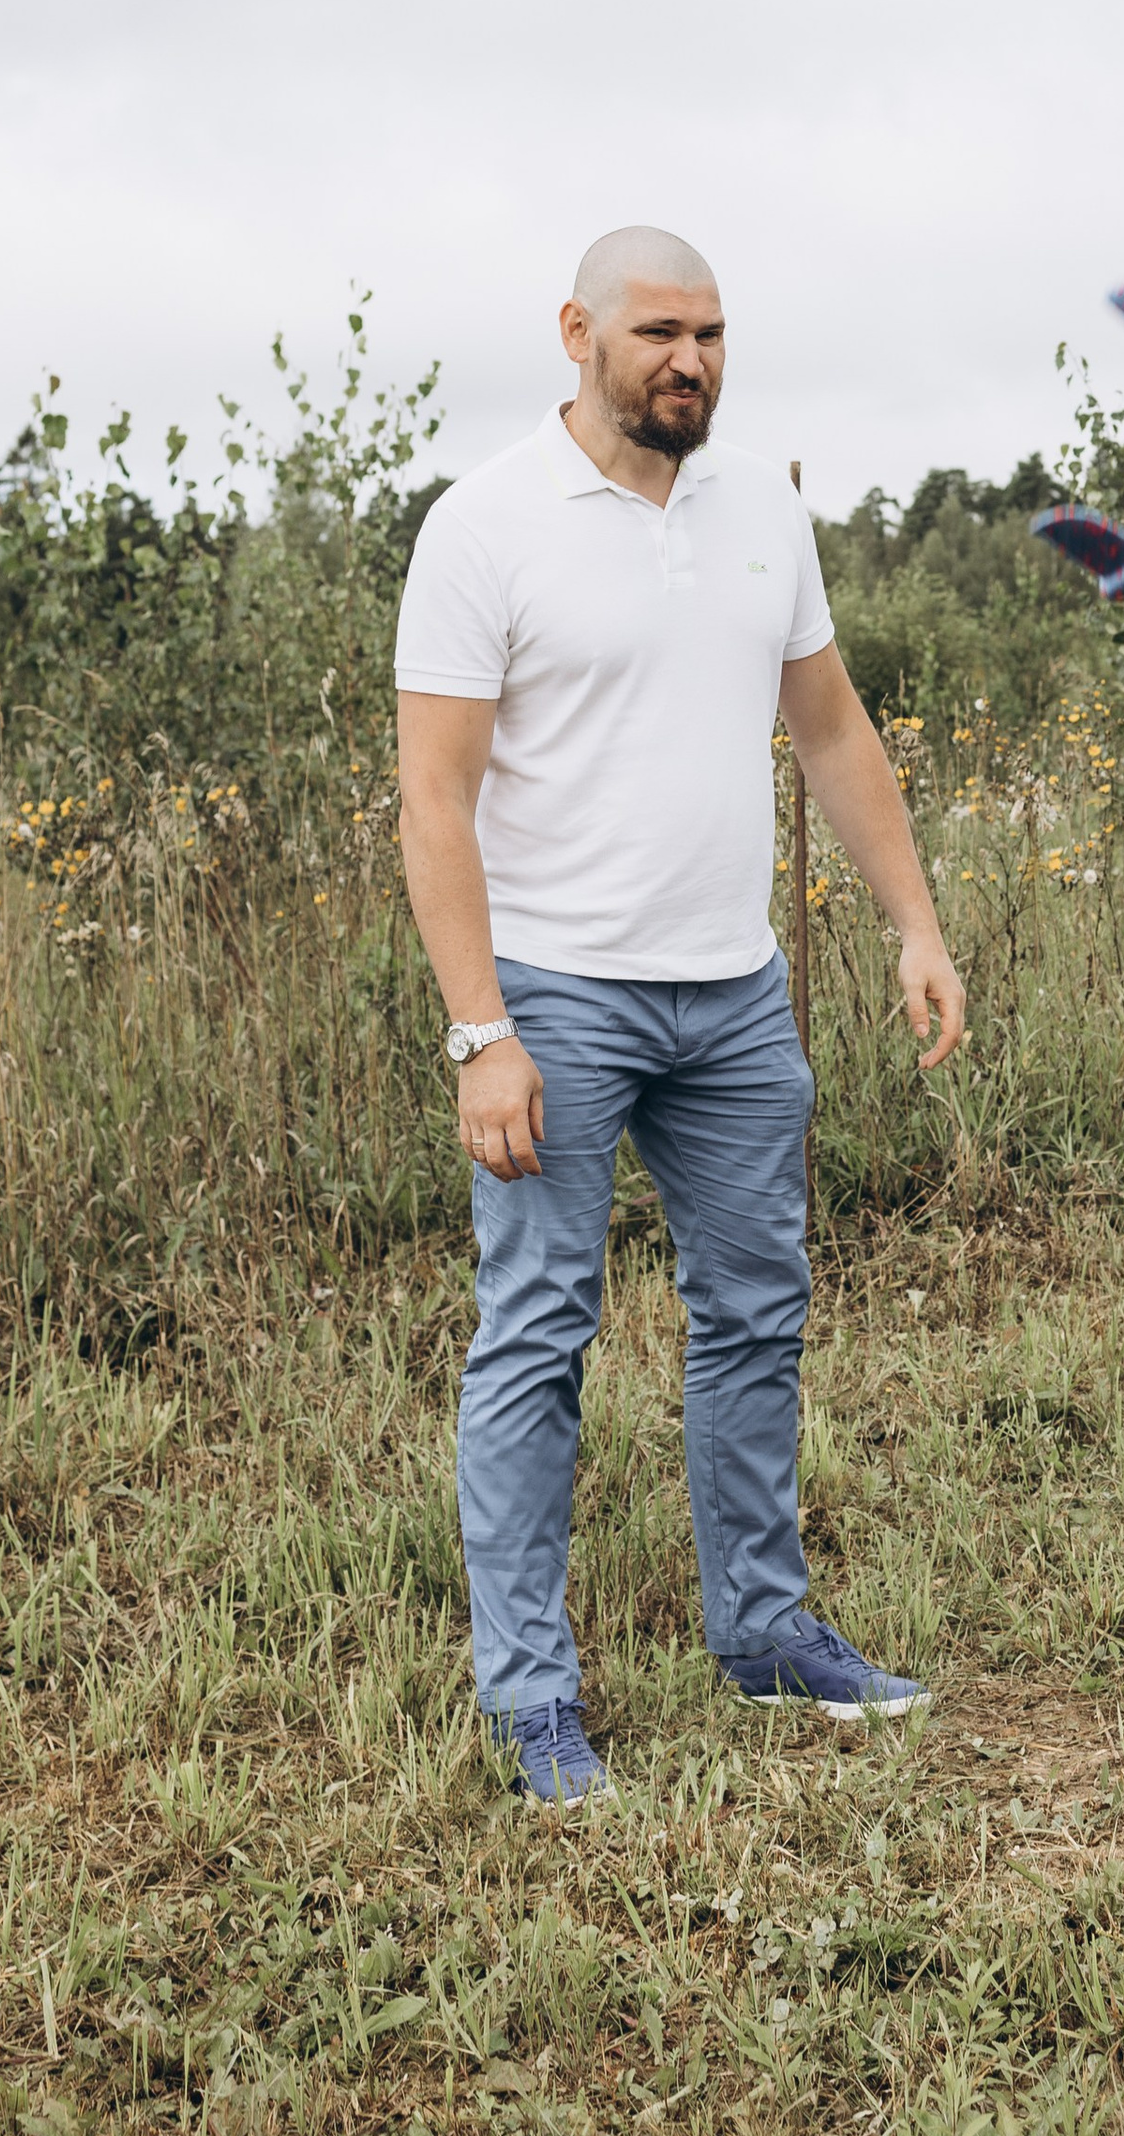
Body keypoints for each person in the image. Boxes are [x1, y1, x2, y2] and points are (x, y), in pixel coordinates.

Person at [394, 224, 965, 1802]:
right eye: (658, 333)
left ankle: (767, 1635)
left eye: (711, 334)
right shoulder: (486, 525)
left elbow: (833, 731)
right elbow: (433, 804)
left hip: (733, 1000)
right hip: (558, 1001)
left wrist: (914, 922)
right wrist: (479, 1031)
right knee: (536, 1338)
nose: (690, 362)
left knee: (756, 1315)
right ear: (577, 331)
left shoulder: (762, 512)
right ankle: (532, 1701)